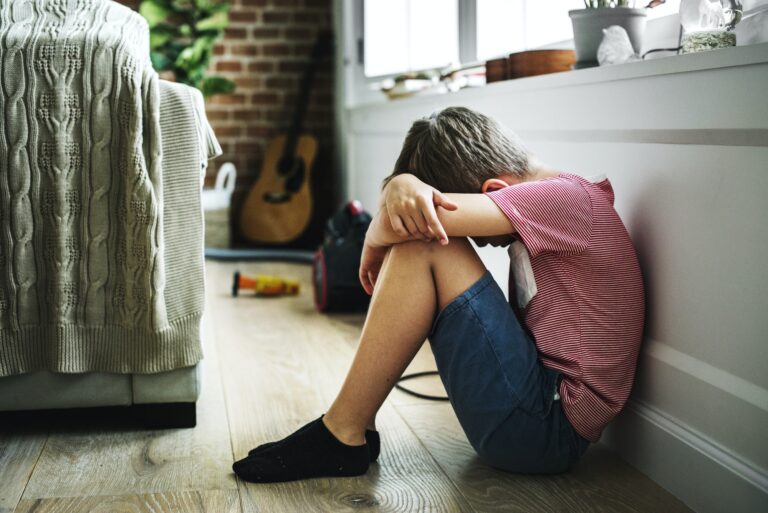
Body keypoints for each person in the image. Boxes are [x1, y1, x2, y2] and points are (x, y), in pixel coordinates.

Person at [232, 106, 645, 483]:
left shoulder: (563, 201)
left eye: (482, 237)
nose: (484, 244)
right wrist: (401, 187)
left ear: (493, 189)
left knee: (425, 241)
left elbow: (412, 226)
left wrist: (374, 237)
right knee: (424, 235)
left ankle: (341, 432)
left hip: (543, 429)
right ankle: (355, 425)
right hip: (539, 415)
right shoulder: (563, 200)